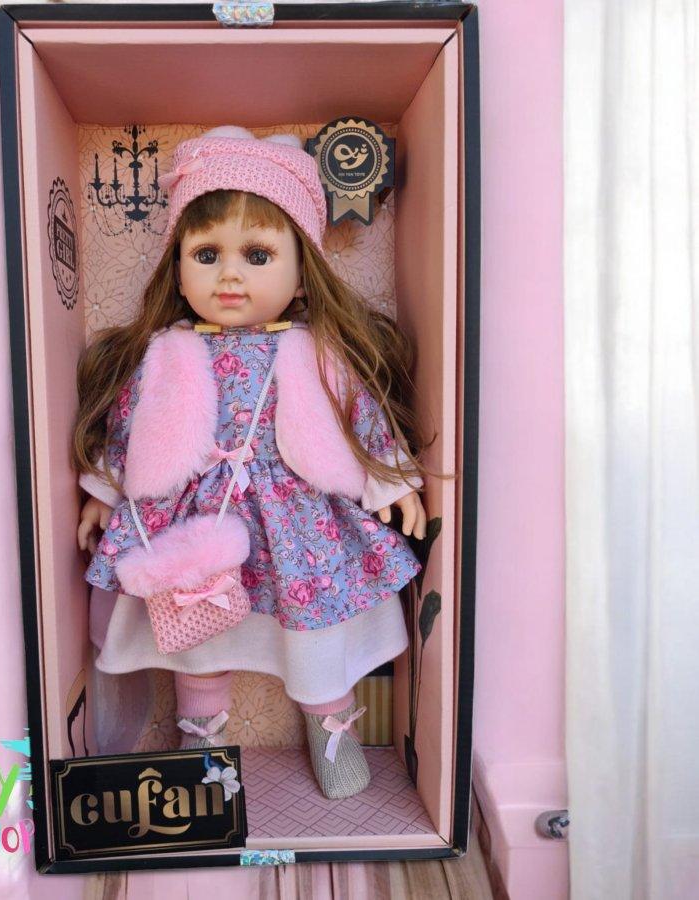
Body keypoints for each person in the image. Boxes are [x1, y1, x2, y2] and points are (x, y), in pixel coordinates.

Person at [72, 126, 427, 800]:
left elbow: (360, 420)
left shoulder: (318, 351)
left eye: (258, 255)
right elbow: (130, 430)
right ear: (178, 267)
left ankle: (331, 731)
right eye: (206, 254)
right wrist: (105, 492)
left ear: (302, 271)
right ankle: (203, 745)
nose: (229, 274)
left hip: (297, 516)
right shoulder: (166, 351)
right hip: (195, 515)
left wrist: (391, 482)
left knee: (314, 627)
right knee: (194, 629)